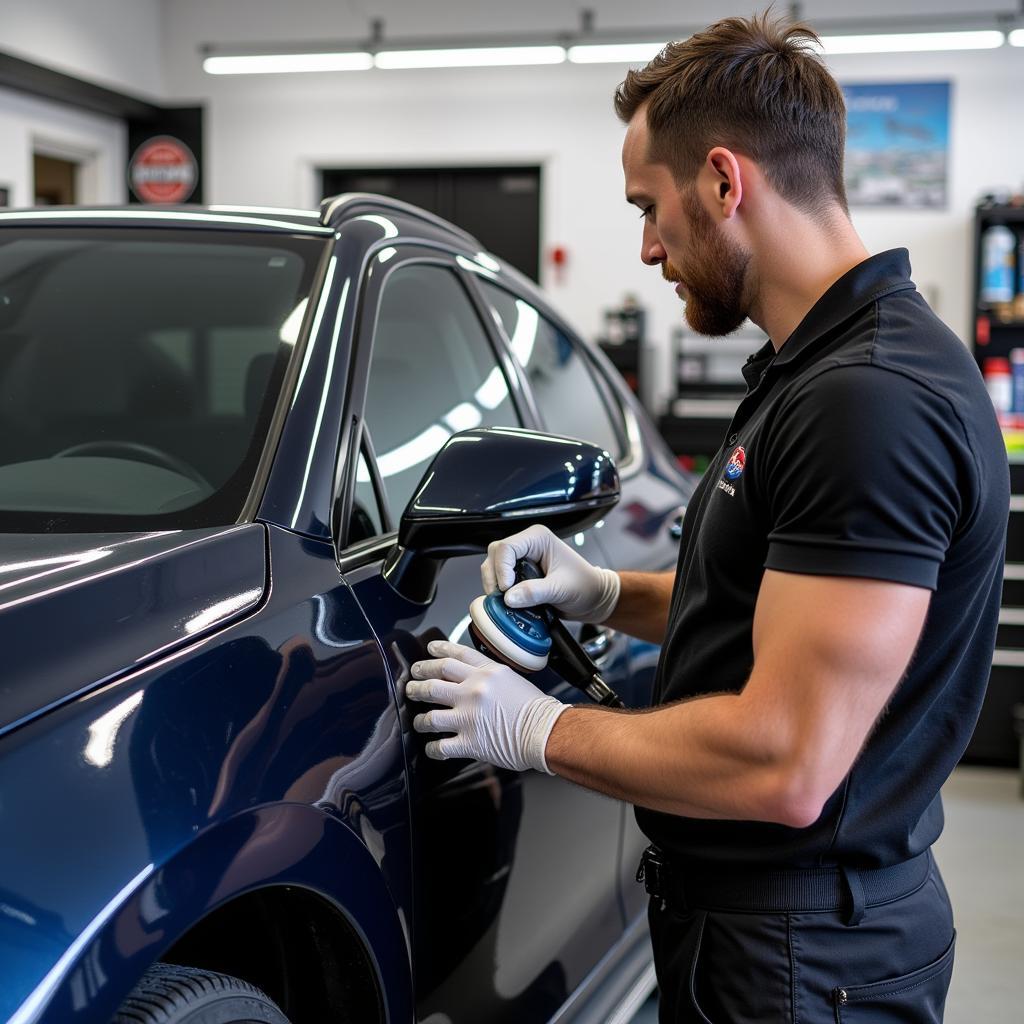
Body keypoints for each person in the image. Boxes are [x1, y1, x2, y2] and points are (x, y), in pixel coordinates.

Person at [406, 13, 1009, 1023]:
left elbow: (784, 760)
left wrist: (539, 729)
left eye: (650, 207)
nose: (646, 247)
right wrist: (600, 593)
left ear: (725, 183)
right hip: (777, 934)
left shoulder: (866, 401)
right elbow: (757, 609)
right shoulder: (813, 369)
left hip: (802, 963)